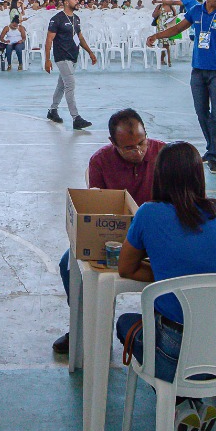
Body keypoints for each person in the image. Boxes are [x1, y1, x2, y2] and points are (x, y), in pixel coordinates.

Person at [114, 141, 216, 431]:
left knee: (125, 323)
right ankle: (191, 406)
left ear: (159, 177)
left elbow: (126, 268)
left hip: (171, 352)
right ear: (199, 177)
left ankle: (182, 405)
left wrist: (165, 272)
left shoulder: (148, 214)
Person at [52, 110, 165, 356]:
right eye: (128, 148)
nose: (138, 151)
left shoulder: (163, 155)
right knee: (67, 264)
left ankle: (162, 331)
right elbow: (98, 210)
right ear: (113, 143)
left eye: (142, 142)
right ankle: (82, 324)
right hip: (116, 237)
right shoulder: (100, 161)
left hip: (158, 238)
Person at [148, 0, 216, 170]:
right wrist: (156, 36)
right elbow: (177, 28)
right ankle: (211, 147)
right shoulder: (196, 12)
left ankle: (213, 154)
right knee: (202, 113)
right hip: (198, 72)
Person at [45, 0, 97, 130]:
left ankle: (52, 110)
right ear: (66, 2)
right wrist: (47, 60)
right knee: (70, 86)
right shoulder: (57, 19)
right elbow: (49, 40)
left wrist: (90, 52)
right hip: (62, 57)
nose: (77, 1)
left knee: (61, 85)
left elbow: (80, 37)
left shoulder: (76, 19)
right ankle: (76, 118)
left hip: (73, 56)